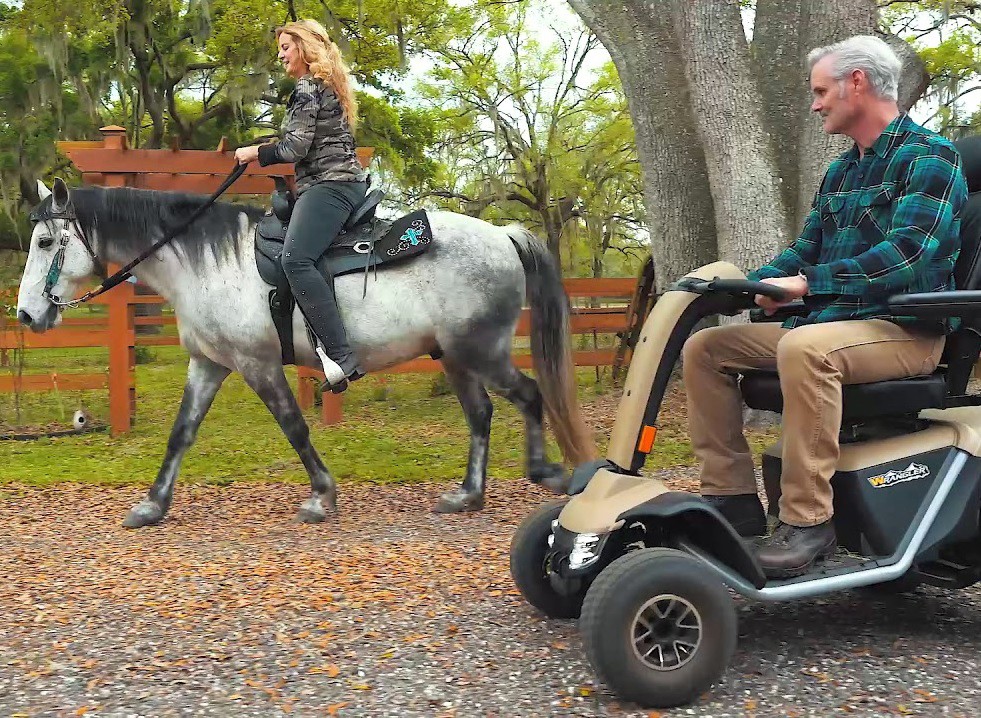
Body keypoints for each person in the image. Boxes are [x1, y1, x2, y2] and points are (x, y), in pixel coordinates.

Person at [682, 35, 968, 578]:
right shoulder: (843, 171)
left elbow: (908, 254)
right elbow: (805, 248)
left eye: (820, 91)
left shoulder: (932, 158)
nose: (815, 104)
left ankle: (808, 521)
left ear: (856, 83)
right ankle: (732, 498)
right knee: (705, 349)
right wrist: (755, 285)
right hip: (835, 323)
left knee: (806, 348)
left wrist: (808, 285)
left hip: (905, 331)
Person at [235, 19, 368, 391]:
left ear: (305, 49)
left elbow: (294, 148)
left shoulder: (308, 87)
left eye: (285, 48)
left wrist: (253, 152)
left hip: (331, 186)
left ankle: (342, 356)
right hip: (333, 183)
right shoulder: (325, 87)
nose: (280, 56)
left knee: (295, 258)